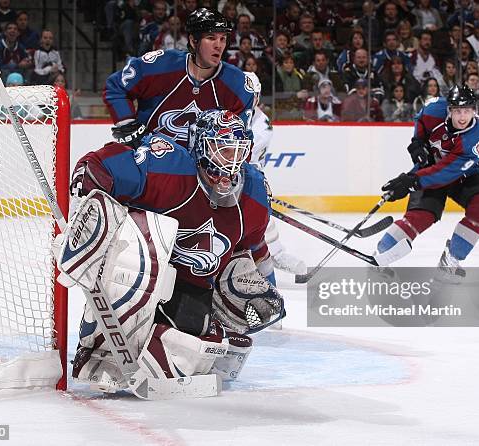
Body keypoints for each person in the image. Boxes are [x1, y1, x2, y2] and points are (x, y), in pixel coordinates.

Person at [65, 109, 285, 392]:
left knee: (195, 332)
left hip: (189, 283)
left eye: (238, 153)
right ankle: (100, 353)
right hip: (138, 267)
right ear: (200, 147)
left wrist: (264, 283)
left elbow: (250, 247)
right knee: (137, 262)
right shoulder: (168, 166)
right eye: (222, 151)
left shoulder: (253, 193)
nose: (230, 164)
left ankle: (164, 348)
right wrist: (86, 208)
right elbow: (97, 166)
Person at [377, 84, 479, 278]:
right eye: (457, 111)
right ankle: (381, 255)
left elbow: (446, 171)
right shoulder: (434, 109)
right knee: (421, 216)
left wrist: (412, 181)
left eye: (467, 110)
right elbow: (421, 121)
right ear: (449, 109)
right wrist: (418, 142)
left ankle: (451, 259)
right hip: (431, 168)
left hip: (462, 175)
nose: (463, 117)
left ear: (475, 110)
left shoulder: (477, 139)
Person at [103, 8, 255, 149]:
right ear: (193, 41)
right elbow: (116, 87)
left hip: (199, 171)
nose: (219, 45)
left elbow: (241, 141)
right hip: (149, 162)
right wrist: (128, 126)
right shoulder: (160, 65)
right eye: (211, 38)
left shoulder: (238, 85)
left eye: (223, 39)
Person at [245, 72, 306, 275]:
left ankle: (276, 254)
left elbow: (243, 157)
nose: (247, 98)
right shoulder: (226, 112)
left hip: (247, 176)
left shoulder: (262, 125)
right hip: (225, 175)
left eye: (251, 94)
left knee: (259, 214)